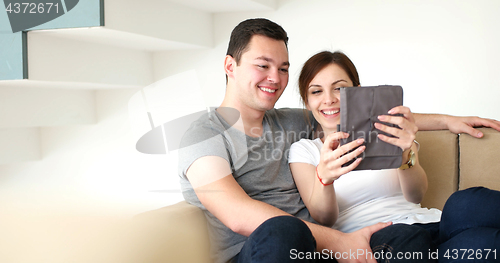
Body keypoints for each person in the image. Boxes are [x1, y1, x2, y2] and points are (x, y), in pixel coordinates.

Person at [178, 18, 500, 263]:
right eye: (263, 66)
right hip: (266, 249)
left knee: (466, 212)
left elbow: (361, 117)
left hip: (316, 251)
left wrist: (446, 122)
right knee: (284, 230)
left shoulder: (289, 120)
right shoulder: (203, 136)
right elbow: (239, 217)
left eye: (283, 68)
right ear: (229, 66)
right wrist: (340, 242)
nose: (275, 78)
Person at [289, 50, 500, 262]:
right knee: (407, 237)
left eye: (340, 88)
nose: (329, 99)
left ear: (358, 92)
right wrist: (325, 178)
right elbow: (324, 218)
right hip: (383, 240)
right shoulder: (306, 150)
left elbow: (415, 196)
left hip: (431, 226)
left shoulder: (391, 132)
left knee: (470, 207)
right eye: (316, 92)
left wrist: (406, 155)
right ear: (307, 102)